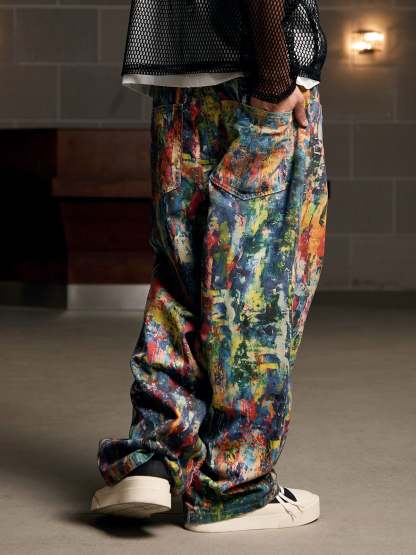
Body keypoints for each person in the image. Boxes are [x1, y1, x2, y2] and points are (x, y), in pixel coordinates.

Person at [90, 0, 328, 533]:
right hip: (257, 82)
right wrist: (274, 80)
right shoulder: (268, 78)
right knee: (258, 287)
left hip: (178, 83)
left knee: (182, 273)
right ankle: (233, 489)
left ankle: (152, 457)